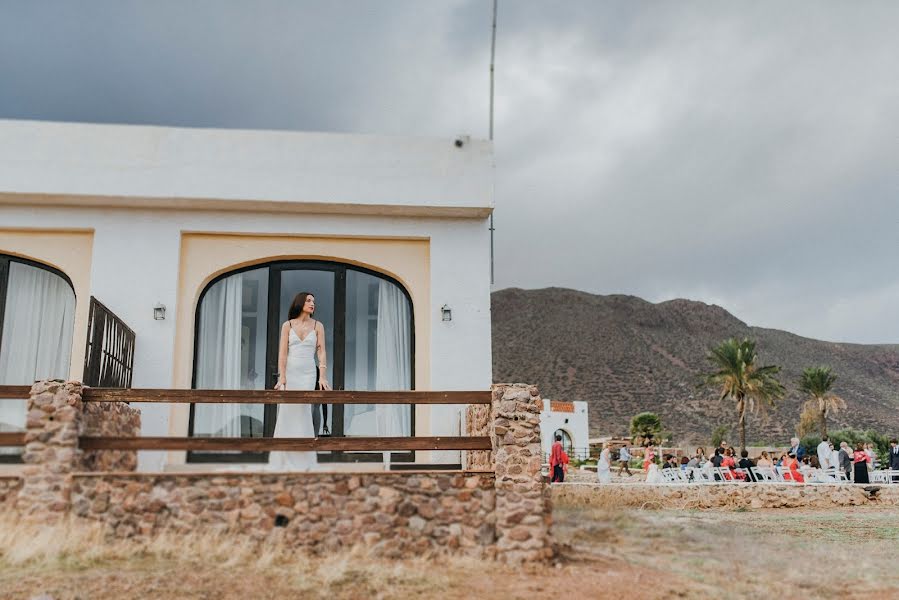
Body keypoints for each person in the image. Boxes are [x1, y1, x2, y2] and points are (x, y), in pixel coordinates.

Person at [270, 292, 331, 471]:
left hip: (308, 372)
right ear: (300, 303)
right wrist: (282, 377)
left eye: (314, 300)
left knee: (305, 411)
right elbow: (282, 353)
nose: (313, 303)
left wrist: (323, 376)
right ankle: (284, 457)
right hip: (291, 371)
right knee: (287, 411)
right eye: (309, 300)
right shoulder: (287, 325)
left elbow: (321, 351)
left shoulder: (318, 325)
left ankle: (304, 458)